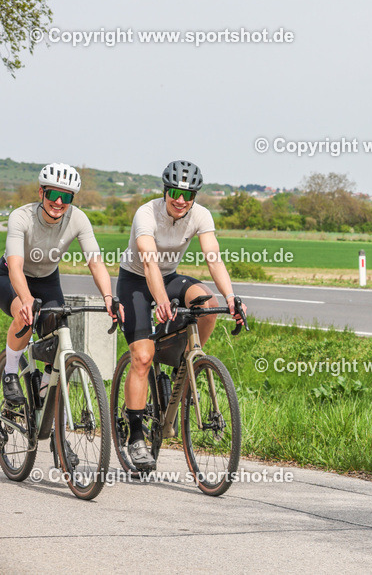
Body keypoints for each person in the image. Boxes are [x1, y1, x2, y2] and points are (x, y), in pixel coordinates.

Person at [117, 160, 246, 471]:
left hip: (170, 275)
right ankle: (135, 437)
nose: (180, 200)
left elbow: (213, 258)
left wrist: (231, 298)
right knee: (143, 357)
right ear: (166, 191)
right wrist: (161, 300)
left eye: (188, 195)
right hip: (136, 280)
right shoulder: (146, 214)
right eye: (175, 192)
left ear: (194, 197)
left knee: (207, 302)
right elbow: (148, 263)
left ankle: (187, 365)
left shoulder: (200, 215)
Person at [2, 163, 120, 404]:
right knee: (24, 316)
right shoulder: (21, 216)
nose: (58, 202)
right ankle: (10, 372)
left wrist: (109, 297)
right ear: (41, 193)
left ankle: (45, 394)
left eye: (65, 197)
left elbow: (95, 263)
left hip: (47, 279)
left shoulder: (78, 219)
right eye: (53, 194)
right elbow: (15, 266)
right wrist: (26, 301)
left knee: (58, 329)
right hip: (10, 276)